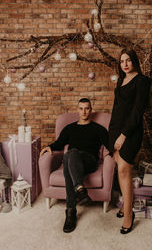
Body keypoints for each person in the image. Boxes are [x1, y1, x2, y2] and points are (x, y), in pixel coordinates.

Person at [40, 98, 109, 233]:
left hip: (89, 161)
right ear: (77, 110)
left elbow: (109, 145)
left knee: (70, 155)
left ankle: (71, 209)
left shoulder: (98, 129)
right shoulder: (70, 128)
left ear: (90, 110)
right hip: (72, 161)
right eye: (81, 108)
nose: (84, 111)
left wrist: (110, 153)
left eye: (87, 108)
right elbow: (59, 143)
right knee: (70, 157)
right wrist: (49, 147)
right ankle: (76, 197)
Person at [109, 48, 151, 234]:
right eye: (122, 61)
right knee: (120, 168)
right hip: (115, 130)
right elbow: (116, 108)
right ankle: (125, 205)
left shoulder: (142, 81)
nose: (125, 64)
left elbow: (137, 111)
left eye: (128, 60)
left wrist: (124, 135)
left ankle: (128, 214)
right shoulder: (121, 80)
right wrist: (111, 135)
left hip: (130, 133)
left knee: (124, 170)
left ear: (134, 61)